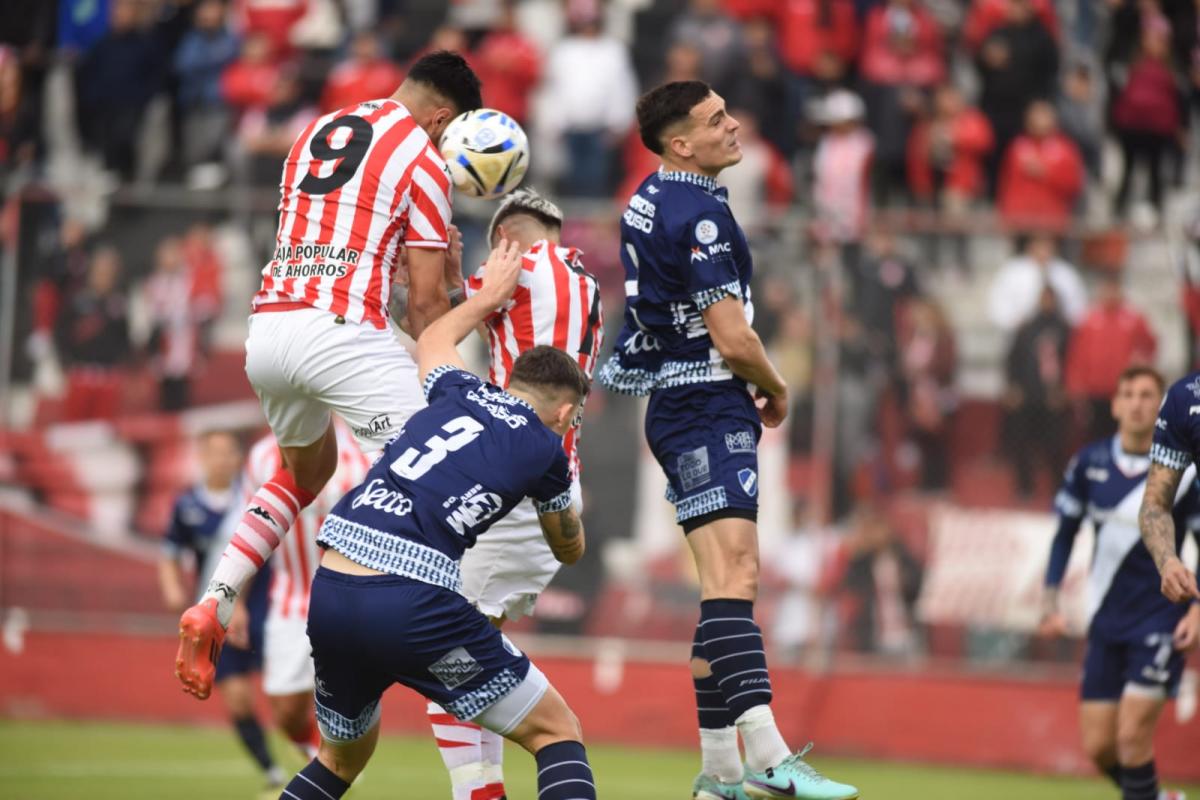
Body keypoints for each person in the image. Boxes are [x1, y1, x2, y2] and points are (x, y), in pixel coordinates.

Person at [175, 50, 483, 701]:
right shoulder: (424, 159)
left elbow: (344, 242)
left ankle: (216, 598)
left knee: (303, 473)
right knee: (442, 468)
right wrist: (462, 319)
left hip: (270, 330)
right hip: (341, 334)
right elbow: (427, 308)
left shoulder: (318, 130)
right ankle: (406, 625)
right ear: (441, 119)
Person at [597, 80, 859, 800]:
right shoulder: (700, 215)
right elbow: (733, 337)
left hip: (678, 402)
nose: (734, 124)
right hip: (709, 401)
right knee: (737, 576)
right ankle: (772, 760)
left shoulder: (651, 195)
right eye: (716, 120)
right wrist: (776, 386)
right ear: (681, 143)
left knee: (720, 586)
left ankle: (719, 774)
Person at [277, 241, 597, 800]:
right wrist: (563, 500)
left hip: (332, 589)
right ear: (565, 413)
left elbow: (432, 340)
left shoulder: (458, 389)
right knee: (556, 730)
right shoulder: (547, 448)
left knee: (338, 761)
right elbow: (568, 549)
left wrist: (488, 298)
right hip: (410, 601)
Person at [424, 188, 604, 800]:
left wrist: (455, 285)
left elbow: (429, 327)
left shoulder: (518, 272)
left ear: (505, 240)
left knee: (446, 657)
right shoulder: (584, 282)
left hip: (514, 487)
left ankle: (479, 794)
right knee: (473, 653)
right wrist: (467, 291)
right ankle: (486, 790)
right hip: (552, 480)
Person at [1041, 367, 1200, 800]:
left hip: (1160, 619)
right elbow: (1064, 535)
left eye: (1147, 395)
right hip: (1107, 619)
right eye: (1127, 394)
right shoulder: (1089, 464)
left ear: (1162, 406)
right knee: (1099, 746)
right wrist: (1049, 602)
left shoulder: (1184, 474)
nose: (1136, 404)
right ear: (1114, 404)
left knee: (1132, 739)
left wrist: (1196, 610)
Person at [232, 421, 371, 763]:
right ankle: (320, 756)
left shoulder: (364, 449)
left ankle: (334, 767)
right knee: (286, 710)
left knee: (352, 701)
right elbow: (249, 528)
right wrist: (235, 599)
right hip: (290, 601)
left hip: (353, 597)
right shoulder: (262, 455)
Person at [157, 431, 285, 793]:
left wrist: (241, 601)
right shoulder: (187, 505)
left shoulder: (256, 498)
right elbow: (169, 553)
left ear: (239, 458)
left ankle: (312, 749)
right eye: (213, 453)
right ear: (201, 457)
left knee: (286, 692)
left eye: (228, 453)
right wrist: (171, 587)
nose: (221, 460)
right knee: (238, 697)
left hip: (265, 605)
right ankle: (273, 771)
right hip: (218, 611)